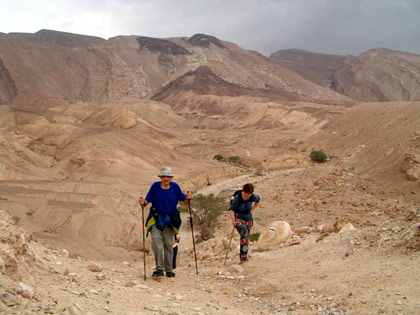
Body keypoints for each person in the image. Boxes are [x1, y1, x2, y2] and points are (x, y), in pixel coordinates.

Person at [139, 167, 192, 278]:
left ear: (171, 178)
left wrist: (189, 197)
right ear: (160, 177)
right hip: (156, 218)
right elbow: (148, 200)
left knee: (168, 244)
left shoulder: (175, 187)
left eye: (168, 176)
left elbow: (185, 201)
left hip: (170, 220)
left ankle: (168, 269)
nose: (166, 178)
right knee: (156, 241)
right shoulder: (155, 186)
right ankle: (159, 268)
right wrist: (143, 202)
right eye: (164, 176)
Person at [229, 183, 261, 262]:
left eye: (250, 194)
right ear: (244, 191)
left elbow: (258, 200)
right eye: (248, 194)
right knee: (245, 234)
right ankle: (243, 255)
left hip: (248, 219)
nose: (249, 196)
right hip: (239, 219)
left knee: (245, 237)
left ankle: (244, 255)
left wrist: (253, 209)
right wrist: (233, 220)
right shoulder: (238, 198)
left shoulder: (252, 196)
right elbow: (232, 210)